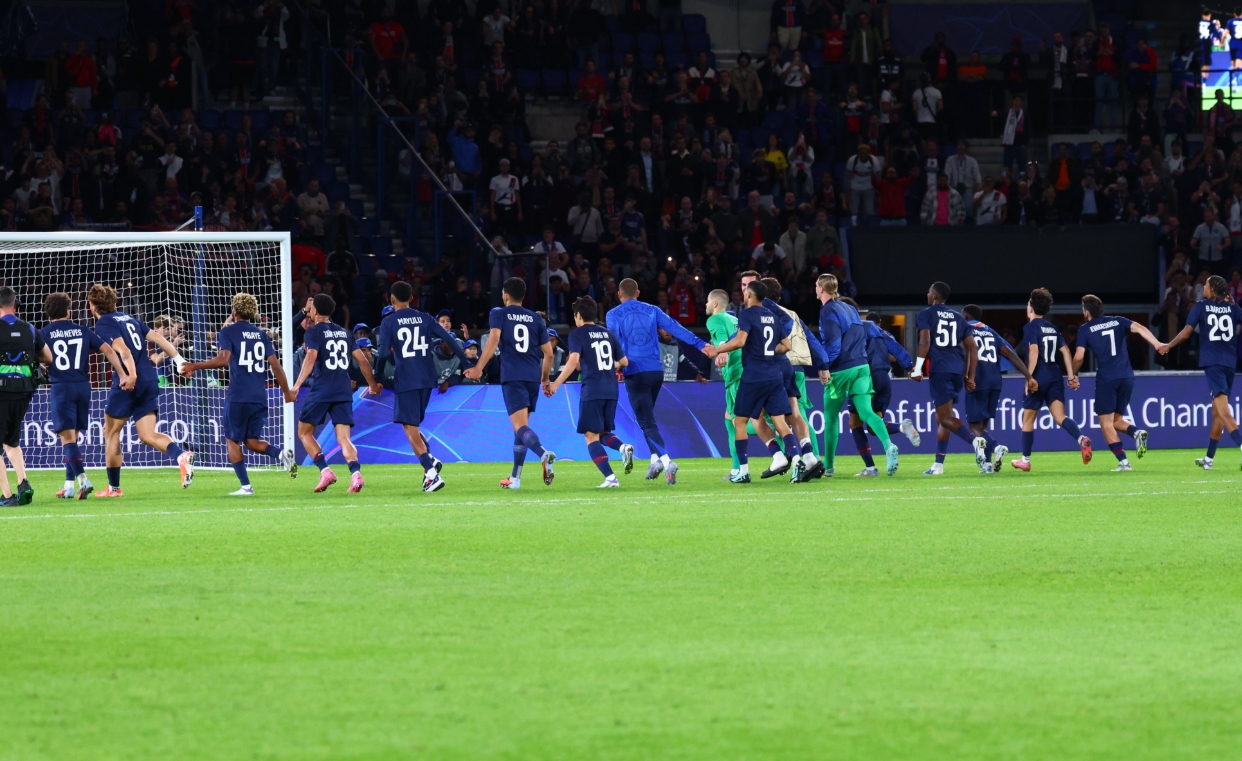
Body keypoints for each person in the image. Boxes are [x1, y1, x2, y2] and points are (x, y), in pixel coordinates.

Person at [180, 294, 296, 494]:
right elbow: (276, 366)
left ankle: (246, 486)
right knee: (251, 441)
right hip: (259, 396)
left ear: (234, 311)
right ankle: (281, 454)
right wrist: (286, 392)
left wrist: (195, 365)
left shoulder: (228, 332)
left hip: (238, 395)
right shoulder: (261, 335)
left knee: (232, 440)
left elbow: (224, 359)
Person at [605, 278, 715, 484]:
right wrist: (700, 344)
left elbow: (614, 341)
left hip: (635, 371)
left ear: (619, 295)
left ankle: (666, 462)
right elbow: (675, 327)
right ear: (638, 293)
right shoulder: (652, 309)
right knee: (648, 419)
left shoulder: (612, 315)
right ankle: (654, 460)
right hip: (656, 371)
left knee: (646, 421)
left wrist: (615, 364)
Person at [89, 283, 194, 497]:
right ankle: (180, 455)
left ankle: (114, 488)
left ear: (92, 306)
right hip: (149, 380)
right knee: (147, 435)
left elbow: (123, 350)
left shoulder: (104, 324)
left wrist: (131, 374)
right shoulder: (129, 318)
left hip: (130, 381)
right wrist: (179, 361)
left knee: (111, 432)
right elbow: (158, 338)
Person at [377, 280, 471, 493]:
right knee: (412, 426)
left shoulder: (389, 322)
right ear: (411, 298)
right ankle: (431, 460)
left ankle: (431, 473)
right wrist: (466, 362)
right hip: (428, 380)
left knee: (409, 429)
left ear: (391, 300)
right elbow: (450, 338)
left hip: (407, 379)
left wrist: (376, 375)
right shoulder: (426, 318)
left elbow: (383, 354)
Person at [464, 277, 557, 489]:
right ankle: (515, 478)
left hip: (513, 376)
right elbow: (549, 354)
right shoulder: (535, 319)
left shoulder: (498, 313)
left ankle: (543, 454)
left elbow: (494, 339)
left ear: (505, 294)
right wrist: (545, 379)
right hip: (532, 377)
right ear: (523, 296)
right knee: (522, 428)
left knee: (520, 427)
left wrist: (479, 368)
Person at [39, 292, 132, 500]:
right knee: (74, 437)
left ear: (47, 312)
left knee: (67, 438)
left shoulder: (43, 333)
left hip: (61, 386)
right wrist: (122, 373)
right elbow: (108, 349)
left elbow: (42, 359)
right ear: (68, 311)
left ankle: (83, 480)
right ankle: (69, 485)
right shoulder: (82, 330)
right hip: (82, 387)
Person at [290, 293, 383, 494]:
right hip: (343, 390)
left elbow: (311, 357)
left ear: (315, 311)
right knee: (344, 438)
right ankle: (356, 474)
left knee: (304, 432)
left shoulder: (313, 333)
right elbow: (363, 361)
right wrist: (372, 384)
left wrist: (297, 385)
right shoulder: (344, 332)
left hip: (322, 389)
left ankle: (325, 470)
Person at [711, 280, 798, 484]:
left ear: (749, 295)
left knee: (739, 421)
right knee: (781, 422)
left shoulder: (747, 314)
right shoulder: (774, 317)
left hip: (754, 376)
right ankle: (796, 460)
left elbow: (740, 341)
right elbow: (787, 346)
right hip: (774, 375)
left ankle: (742, 470)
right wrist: (767, 351)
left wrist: (717, 350)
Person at [544, 297, 636, 488]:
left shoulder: (577, 334)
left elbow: (573, 361)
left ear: (578, 315)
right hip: (611, 389)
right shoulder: (608, 334)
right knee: (601, 432)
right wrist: (609, 365)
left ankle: (610, 478)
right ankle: (622, 447)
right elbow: (625, 362)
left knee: (590, 436)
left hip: (592, 389)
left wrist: (556, 383)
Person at [818, 275, 899, 477]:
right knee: (866, 413)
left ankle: (828, 466)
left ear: (820, 288)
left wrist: (825, 365)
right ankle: (888, 444)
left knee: (830, 418)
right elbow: (859, 336)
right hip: (862, 366)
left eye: (816, 286)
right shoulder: (851, 309)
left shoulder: (827, 310)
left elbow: (834, 343)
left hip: (841, 369)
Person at [1160, 275, 1242, 469]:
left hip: (1213, 363)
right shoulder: (1234, 308)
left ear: (1212, 288)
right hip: (1229, 363)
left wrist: (1169, 345)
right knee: (1217, 413)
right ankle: (1209, 459)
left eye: (1205, 285)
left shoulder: (1201, 306)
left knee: (1223, 411)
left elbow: (1187, 332)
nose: (1203, 287)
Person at [1072, 295, 1162, 471]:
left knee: (1105, 423)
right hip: (1127, 376)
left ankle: (1123, 462)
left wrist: (1073, 374)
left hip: (1107, 378)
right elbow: (1140, 328)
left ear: (1086, 312)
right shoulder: (1118, 321)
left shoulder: (1085, 329)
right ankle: (1137, 432)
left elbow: (1079, 356)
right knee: (1116, 420)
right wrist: (1157, 344)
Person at [1012, 288, 1091, 471]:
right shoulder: (1053, 327)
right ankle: (1081, 438)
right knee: (1060, 416)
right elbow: (1065, 351)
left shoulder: (1030, 327)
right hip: (1055, 375)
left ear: (1030, 307)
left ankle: (1025, 460)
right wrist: (1071, 375)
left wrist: (1029, 377)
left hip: (1039, 375)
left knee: (1028, 421)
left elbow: (1033, 351)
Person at [909, 281, 982, 475]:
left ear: (934, 296)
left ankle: (976, 442)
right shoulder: (959, 318)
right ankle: (938, 465)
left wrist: (917, 368)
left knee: (945, 417)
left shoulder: (926, 314)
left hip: (940, 370)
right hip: (957, 371)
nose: (927, 294)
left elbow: (925, 340)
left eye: (928, 292)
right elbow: (972, 347)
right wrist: (970, 375)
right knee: (941, 417)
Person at [756, 274, 822, 481]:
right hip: (790, 366)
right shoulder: (790, 312)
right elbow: (811, 338)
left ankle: (785, 457)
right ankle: (809, 456)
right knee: (794, 413)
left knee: (757, 415)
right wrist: (824, 364)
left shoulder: (761, 308)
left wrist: (769, 345)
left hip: (771, 367)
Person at [842, 303, 919, 476]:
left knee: (855, 422)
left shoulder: (851, 330)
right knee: (872, 426)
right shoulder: (876, 329)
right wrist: (909, 366)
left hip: (866, 378)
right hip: (885, 378)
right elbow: (894, 347)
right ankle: (902, 428)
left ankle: (870, 467)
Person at [962, 304, 1035, 473]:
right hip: (995, 381)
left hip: (977, 379)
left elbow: (965, 353)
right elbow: (1010, 353)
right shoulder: (990, 331)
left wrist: (967, 376)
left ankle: (996, 448)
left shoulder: (964, 329)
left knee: (974, 426)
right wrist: (1028, 376)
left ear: (966, 317)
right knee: (983, 426)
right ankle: (987, 465)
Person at [0, 287, 43, 505]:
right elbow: (48, 357)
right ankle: (23, 481)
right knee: (11, 440)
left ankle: (7, 496)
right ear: (15, 305)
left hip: (1, 390)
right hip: (24, 391)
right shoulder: (30, 329)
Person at [705, 288, 745, 480]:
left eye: (707, 301)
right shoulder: (734, 319)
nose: (705, 305)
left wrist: (722, 352)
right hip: (739, 372)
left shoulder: (714, 319)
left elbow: (722, 340)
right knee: (729, 420)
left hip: (736, 373)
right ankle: (735, 469)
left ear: (714, 303)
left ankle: (779, 437)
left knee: (742, 421)